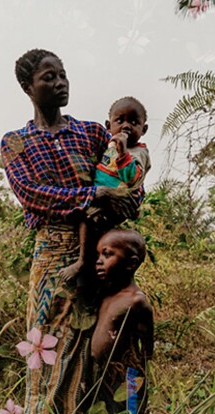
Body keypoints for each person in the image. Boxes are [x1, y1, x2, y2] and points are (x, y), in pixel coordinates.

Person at [1, 49, 143, 414]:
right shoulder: (16, 142)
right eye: (49, 77)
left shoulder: (93, 133)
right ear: (29, 88)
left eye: (63, 75)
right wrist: (91, 195)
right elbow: (32, 195)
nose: (60, 82)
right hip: (54, 257)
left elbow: (128, 181)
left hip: (106, 251)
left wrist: (117, 195)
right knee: (52, 353)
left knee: (112, 344)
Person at [58, 97, 151, 283]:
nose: (126, 126)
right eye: (120, 121)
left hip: (118, 196)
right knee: (89, 220)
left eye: (134, 122)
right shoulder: (109, 146)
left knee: (89, 219)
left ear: (144, 129)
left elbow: (133, 178)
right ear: (108, 125)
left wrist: (123, 153)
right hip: (100, 194)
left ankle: (82, 261)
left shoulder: (139, 152)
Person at [89, 229, 154, 414]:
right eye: (99, 254)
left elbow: (147, 347)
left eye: (107, 254)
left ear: (131, 263)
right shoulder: (105, 292)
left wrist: (137, 380)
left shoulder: (136, 301)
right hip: (103, 374)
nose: (99, 261)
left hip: (127, 376)